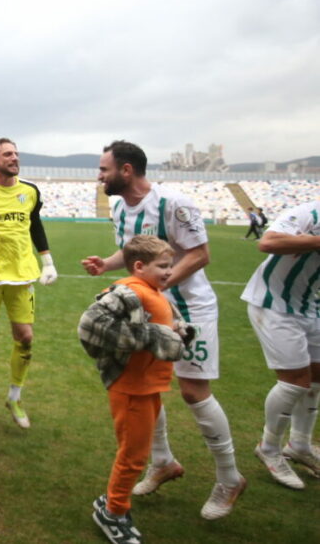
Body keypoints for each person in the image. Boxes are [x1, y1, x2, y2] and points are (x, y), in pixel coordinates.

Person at [81, 140, 245, 520]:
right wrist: (106, 265)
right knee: (145, 386)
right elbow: (134, 252)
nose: (99, 175)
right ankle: (163, 462)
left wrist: (157, 287)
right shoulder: (120, 207)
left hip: (189, 309)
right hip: (148, 311)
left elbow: (200, 254)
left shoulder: (174, 203)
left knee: (193, 391)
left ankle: (230, 477)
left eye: (104, 169)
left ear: (126, 170)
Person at [79, 235, 193, 544]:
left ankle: (112, 502)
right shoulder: (129, 292)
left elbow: (166, 321)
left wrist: (181, 332)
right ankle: (113, 512)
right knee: (133, 456)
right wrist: (153, 337)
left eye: (170, 265)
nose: (169, 271)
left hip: (149, 385)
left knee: (136, 452)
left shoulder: (154, 290)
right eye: (163, 266)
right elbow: (90, 324)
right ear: (139, 266)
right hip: (131, 387)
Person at [0, 138, 57, 430]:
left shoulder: (30, 191)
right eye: (7, 154)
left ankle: (14, 397)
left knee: (26, 337)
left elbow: (35, 224)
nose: (14, 158)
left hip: (22, 274)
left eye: (15, 153)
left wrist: (48, 261)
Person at [240, 200, 320, 488]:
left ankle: (299, 444)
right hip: (274, 303)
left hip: (311, 305)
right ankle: (269, 448)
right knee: (296, 381)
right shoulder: (312, 212)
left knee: (316, 378)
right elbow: (268, 241)